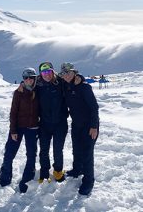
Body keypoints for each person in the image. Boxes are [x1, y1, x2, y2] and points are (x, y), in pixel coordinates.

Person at [60, 62, 99, 196]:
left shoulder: (84, 87)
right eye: (64, 73)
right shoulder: (65, 86)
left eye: (69, 72)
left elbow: (94, 107)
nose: (67, 75)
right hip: (76, 124)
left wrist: (94, 126)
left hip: (89, 126)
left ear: (74, 73)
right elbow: (51, 78)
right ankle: (77, 170)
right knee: (76, 150)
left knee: (87, 153)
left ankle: (88, 181)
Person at [0, 67, 39, 193]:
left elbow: (52, 78)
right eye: (26, 78)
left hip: (33, 128)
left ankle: (27, 179)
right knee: (9, 153)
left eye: (31, 77)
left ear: (35, 78)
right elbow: (13, 113)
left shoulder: (39, 91)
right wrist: (13, 130)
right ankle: (5, 178)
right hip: (18, 127)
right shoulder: (18, 93)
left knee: (31, 155)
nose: (28, 80)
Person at [36, 62, 68, 183]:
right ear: (41, 74)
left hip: (60, 123)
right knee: (44, 150)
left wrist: (79, 78)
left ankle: (58, 172)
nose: (47, 75)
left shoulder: (61, 83)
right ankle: (44, 172)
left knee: (57, 149)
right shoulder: (37, 85)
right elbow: (28, 87)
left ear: (52, 71)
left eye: (49, 72)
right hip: (44, 124)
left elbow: (72, 81)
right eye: (44, 72)